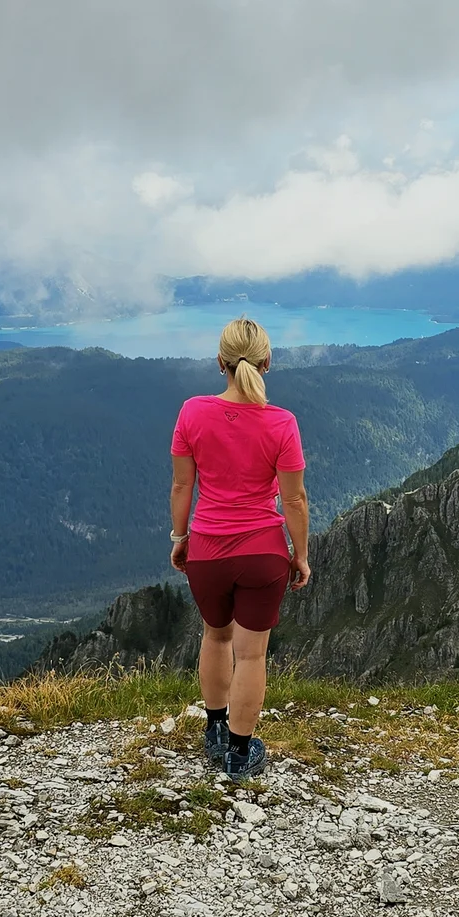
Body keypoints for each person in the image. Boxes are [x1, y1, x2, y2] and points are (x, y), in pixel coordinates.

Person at [168, 317, 311, 780]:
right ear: (267, 363)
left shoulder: (192, 412)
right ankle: (238, 755)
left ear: (220, 363)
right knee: (252, 655)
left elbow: (181, 486)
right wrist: (300, 554)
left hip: (207, 551)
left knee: (216, 636)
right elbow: (293, 499)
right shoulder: (281, 423)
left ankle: (214, 731)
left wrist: (180, 538)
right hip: (263, 554)